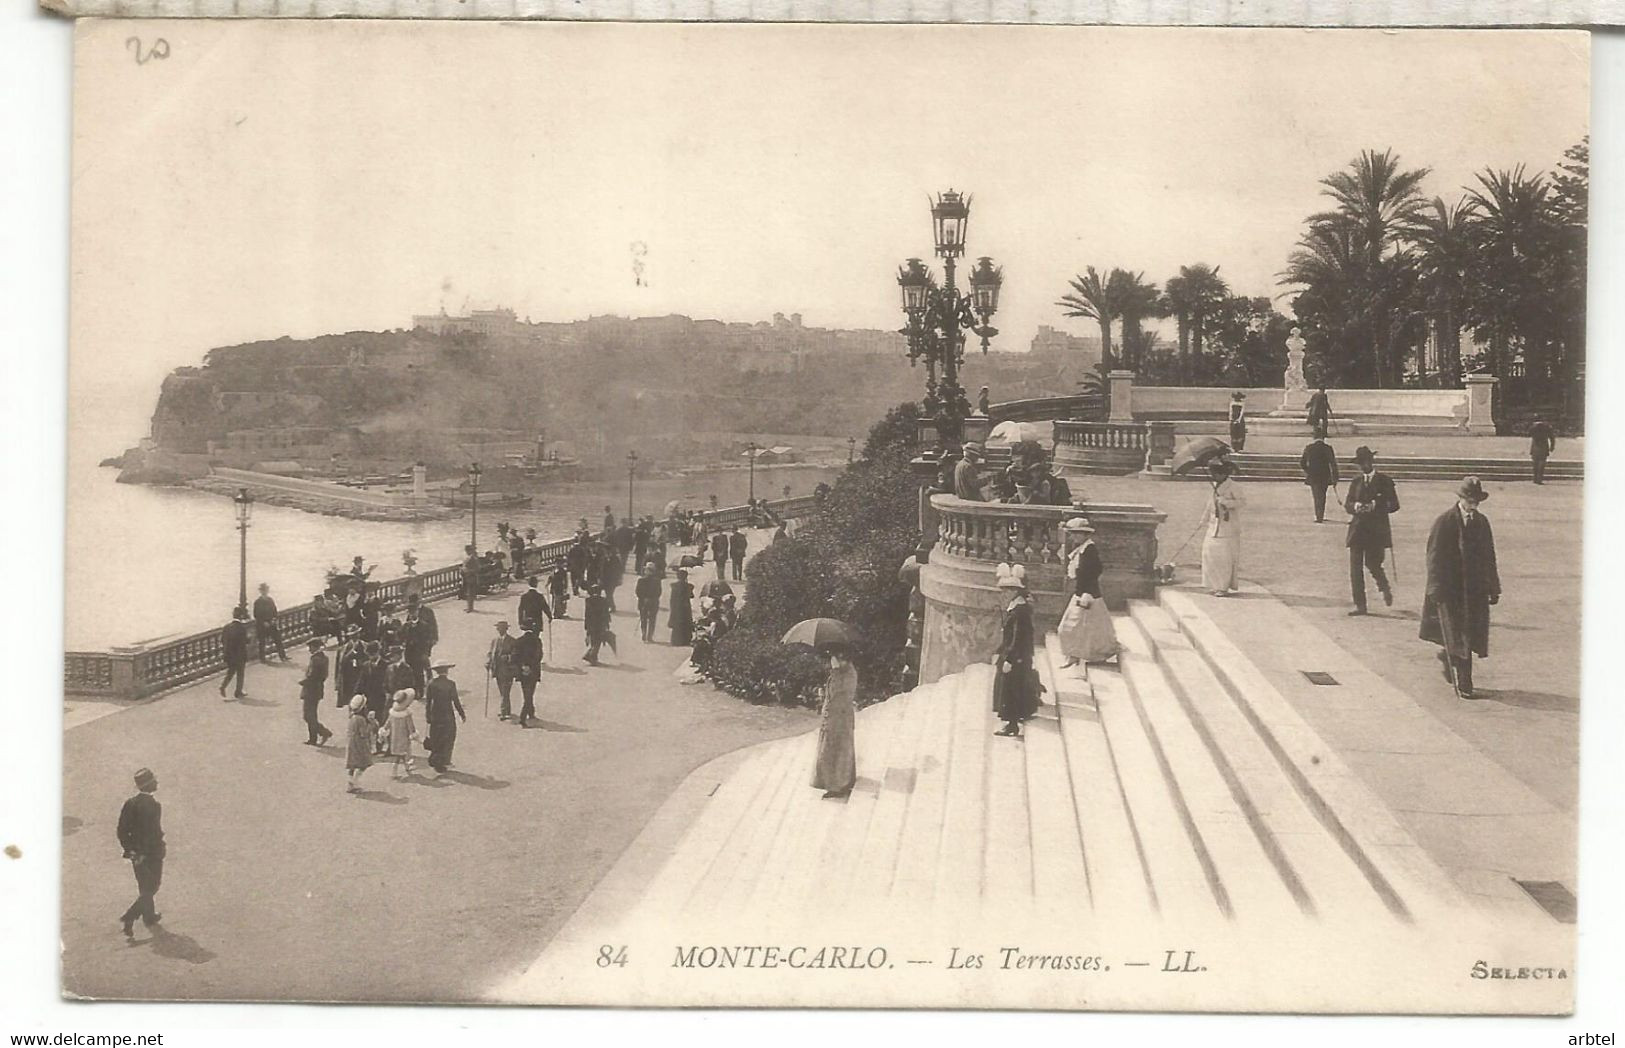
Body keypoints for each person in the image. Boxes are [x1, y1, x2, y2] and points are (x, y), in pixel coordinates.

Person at [1421, 477, 1501, 699]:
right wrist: (1435, 587)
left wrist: (1494, 586)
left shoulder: (1482, 522)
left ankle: (1451, 660)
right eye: (1470, 500)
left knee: (1469, 633)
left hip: (1474, 590)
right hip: (1450, 590)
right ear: (1461, 498)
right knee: (1459, 632)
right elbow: (1434, 557)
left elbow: (1489, 556)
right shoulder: (1445, 521)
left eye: (1476, 500)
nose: (1473, 504)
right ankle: (1465, 681)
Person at [1057, 517, 1120, 666]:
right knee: (1076, 626)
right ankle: (1074, 655)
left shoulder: (1089, 550)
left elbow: (1095, 571)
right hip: (1082, 593)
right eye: (1073, 534)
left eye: (1078, 534)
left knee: (1074, 627)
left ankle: (1096, 654)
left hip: (1088, 595)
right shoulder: (1082, 549)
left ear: (1085, 535)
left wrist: (1087, 593)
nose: (1074, 537)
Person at [1344, 445, 1399, 615]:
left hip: (1376, 531)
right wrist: (1356, 506)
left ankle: (1384, 587)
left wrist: (1377, 505)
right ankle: (1360, 605)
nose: (1363, 467)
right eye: (1360, 464)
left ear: (1371, 462)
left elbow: (1394, 505)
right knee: (1355, 568)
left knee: (1373, 564)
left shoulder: (1385, 482)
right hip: (1357, 530)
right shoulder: (1356, 482)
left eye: (1365, 463)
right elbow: (1348, 504)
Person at [991, 563, 1041, 738]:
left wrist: (1010, 659)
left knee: (1011, 690)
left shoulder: (1019, 611)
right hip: (1016, 655)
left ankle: (1011, 724)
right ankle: (1013, 720)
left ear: (1014, 591)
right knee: (1012, 688)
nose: (1003, 594)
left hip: (1017, 656)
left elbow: (1018, 638)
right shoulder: (1016, 607)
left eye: (1006, 590)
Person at [117, 767, 165, 937]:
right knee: (152, 886)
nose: (157, 783)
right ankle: (129, 916)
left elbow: (122, 830)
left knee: (145, 886)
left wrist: (130, 850)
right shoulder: (153, 806)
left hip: (136, 855)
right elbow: (152, 833)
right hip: (151, 854)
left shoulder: (130, 804)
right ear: (149, 784)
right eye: (154, 781)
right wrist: (146, 851)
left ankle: (149, 916)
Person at [810, 646, 858, 798]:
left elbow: (837, 692)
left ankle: (837, 785)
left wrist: (835, 671)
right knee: (833, 747)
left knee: (837, 749)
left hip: (840, 716)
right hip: (835, 715)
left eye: (838, 657)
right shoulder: (842, 672)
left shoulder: (846, 673)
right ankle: (834, 782)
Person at [1201, 460, 1245, 596]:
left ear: (1223, 473)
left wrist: (1226, 502)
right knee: (1209, 555)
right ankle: (1212, 584)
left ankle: (1223, 587)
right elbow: (1210, 503)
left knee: (1224, 558)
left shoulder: (1233, 486)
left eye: (1215, 474)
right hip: (1213, 526)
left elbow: (1242, 502)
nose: (1213, 476)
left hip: (1228, 528)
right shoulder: (1214, 485)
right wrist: (1204, 519)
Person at [423, 663, 467, 773]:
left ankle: (436, 759)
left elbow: (428, 702)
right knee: (448, 737)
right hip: (448, 714)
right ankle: (444, 760)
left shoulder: (431, 684)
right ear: (447, 671)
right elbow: (456, 701)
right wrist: (462, 714)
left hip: (435, 714)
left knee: (436, 737)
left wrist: (428, 715)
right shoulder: (451, 684)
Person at [299, 636, 333, 746]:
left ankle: (323, 733)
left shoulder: (315, 659)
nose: (309, 649)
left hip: (311, 690)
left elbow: (312, 676)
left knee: (308, 715)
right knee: (311, 714)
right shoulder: (323, 658)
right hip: (317, 690)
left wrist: (303, 682)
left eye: (310, 647)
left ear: (315, 647)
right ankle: (313, 738)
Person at [1299, 434, 1341, 523]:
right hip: (1324, 476)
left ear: (1314, 438)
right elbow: (1333, 464)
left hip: (1313, 476)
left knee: (1316, 495)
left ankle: (1318, 516)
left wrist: (1308, 471)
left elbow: (1302, 463)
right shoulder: (1327, 448)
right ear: (1323, 438)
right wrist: (1335, 477)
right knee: (1322, 495)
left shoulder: (1309, 448)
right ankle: (1320, 514)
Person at [404, 593, 438, 688]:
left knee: (424, 658)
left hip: (426, 640)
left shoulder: (428, 611)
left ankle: (428, 673)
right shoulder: (411, 611)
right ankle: (420, 681)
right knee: (417, 661)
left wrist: (434, 638)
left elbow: (433, 625)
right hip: (414, 642)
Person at [383, 689, 419, 779]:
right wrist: (413, 734)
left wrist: (384, 729)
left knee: (401, 753)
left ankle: (407, 766)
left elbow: (388, 723)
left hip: (394, 736)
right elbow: (410, 725)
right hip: (404, 736)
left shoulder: (393, 713)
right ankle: (394, 771)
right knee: (400, 754)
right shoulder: (406, 714)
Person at [485, 620, 517, 721]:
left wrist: (507, 657)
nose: (499, 630)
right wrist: (488, 662)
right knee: (503, 692)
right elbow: (490, 653)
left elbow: (515, 654)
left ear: (506, 629)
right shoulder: (495, 641)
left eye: (501, 628)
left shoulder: (512, 641)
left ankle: (503, 712)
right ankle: (507, 710)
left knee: (505, 691)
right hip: (497, 670)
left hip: (508, 670)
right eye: (498, 628)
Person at [513, 625, 543, 728]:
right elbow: (539, 656)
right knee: (530, 694)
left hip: (522, 672)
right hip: (533, 671)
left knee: (526, 693)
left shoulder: (519, 641)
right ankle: (523, 717)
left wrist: (522, 666)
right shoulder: (537, 641)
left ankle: (531, 713)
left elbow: (515, 657)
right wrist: (530, 666)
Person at [344, 695, 374, 793]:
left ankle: (350, 783)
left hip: (351, 743)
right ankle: (355, 783)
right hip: (359, 745)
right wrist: (371, 724)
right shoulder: (360, 719)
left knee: (352, 765)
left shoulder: (352, 717)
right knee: (363, 764)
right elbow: (363, 733)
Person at [219, 607, 249, 700]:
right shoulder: (241, 628)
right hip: (239, 655)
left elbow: (222, 640)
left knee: (230, 672)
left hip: (229, 654)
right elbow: (244, 642)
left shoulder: (227, 627)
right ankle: (238, 691)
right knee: (240, 673)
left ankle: (223, 686)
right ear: (241, 617)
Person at [252, 583, 287, 662]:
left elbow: (275, 611)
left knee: (278, 640)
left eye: (266, 590)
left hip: (271, 624)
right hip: (262, 625)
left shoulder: (270, 600)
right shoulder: (258, 602)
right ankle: (262, 658)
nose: (265, 592)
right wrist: (263, 622)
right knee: (262, 642)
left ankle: (283, 656)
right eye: (263, 590)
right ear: (261, 591)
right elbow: (256, 614)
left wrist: (274, 619)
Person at [583, 585, 612, 665]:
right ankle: (591, 656)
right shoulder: (604, 600)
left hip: (591, 623)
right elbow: (606, 613)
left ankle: (592, 657)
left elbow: (587, 614)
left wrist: (586, 625)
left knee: (593, 640)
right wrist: (607, 623)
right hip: (600, 623)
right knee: (598, 641)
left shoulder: (588, 600)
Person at [636, 563, 662, 642]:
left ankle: (644, 633)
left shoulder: (641, 580)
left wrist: (643, 598)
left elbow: (637, 592)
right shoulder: (657, 581)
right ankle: (649, 636)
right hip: (653, 602)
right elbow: (659, 592)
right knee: (652, 619)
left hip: (643, 602)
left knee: (643, 618)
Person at [668, 568, 695, 646]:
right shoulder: (689, 586)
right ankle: (685, 640)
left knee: (677, 623)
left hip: (677, 606)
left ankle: (676, 640)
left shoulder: (674, 586)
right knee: (686, 623)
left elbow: (672, 598)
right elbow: (692, 596)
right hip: (686, 606)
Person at [1529, 417, 1557, 485]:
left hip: (1535, 447)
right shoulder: (1547, 427)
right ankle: (1539, 479)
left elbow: (1529, 433)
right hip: (1544, 447)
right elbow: (1552, 437)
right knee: (1541, 463)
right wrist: (1552, 446)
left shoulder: (1533, 427)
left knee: (1535, 463)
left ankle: (1535, 478)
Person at [462, 543, 480, 613]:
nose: (466, 552)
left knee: (470, 593)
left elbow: (477, 568)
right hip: (470, 576)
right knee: (470, 593)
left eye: (467, 550)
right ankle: (469, 607)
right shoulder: (471, 557)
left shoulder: (472, 558)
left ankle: (470, 608)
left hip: (470, 577)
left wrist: (467, 571)